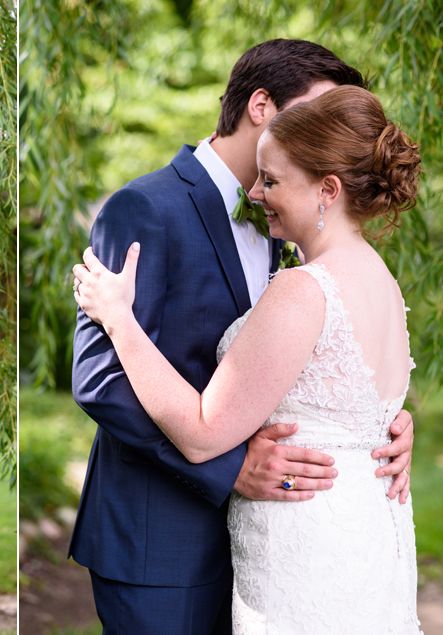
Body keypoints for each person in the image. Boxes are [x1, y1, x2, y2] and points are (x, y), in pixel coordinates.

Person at [68, 40, 415, 635]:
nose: (326, 131)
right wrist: (230, 468)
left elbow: (312, 359)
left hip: (287, 540)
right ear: (261, 105)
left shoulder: (302, 224)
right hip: (166, 543)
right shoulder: (144, 208)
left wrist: (377, 425)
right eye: (316, 113)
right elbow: (97, 378)